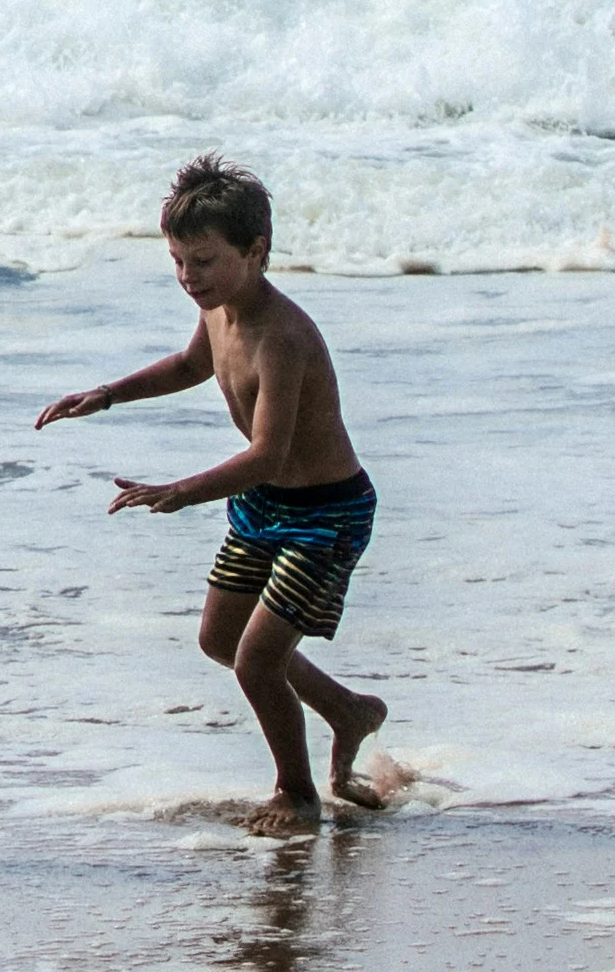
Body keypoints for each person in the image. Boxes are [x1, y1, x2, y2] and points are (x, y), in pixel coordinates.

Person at [37, 155, 386, 835]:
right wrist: (108, 393)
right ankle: (346, 710)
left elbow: (267, 454)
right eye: (176, 262)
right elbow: (192, 364)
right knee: (221, 637)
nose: (187, 277)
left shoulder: (281, 335)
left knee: (257, 660)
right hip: (264, 508)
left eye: (202, 260)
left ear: (255, 252)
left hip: (325, 512)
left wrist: (180, 491)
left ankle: (297, 791)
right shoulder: (221, 309)